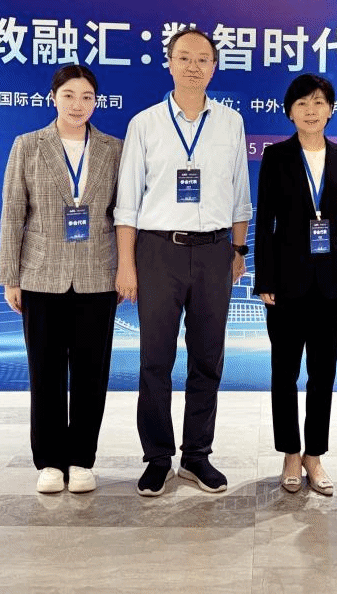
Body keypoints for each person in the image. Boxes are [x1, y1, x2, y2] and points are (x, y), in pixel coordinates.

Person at [114, 27, 252, 497]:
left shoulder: (231, 122)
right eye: (185, 58)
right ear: (169, 63)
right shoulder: (145, 124)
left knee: (208, 357)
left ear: (214, 67)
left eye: (203, 59)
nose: (194, 66)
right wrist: (127, 265)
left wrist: (238, 250)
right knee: (155, 359)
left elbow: (240, 194)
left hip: (215, 251)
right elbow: (127, 203)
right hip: (158, 251)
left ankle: (196, 455)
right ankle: (157, 458)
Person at [0, 65, 123, 494]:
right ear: (53, 98)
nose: (77, 105)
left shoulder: (113, 149)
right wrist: (10, 276)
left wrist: (126, 270)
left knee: (91, 373)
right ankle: (49, 461)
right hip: (40, 274)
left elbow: (124, 215)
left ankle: (82, 459)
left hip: (97, 275)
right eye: (69, 95)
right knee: (45, 371)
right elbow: (13, 213)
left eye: (87, 97)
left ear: (96, 102)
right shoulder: (28, 145)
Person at [253, 74, 337, 496]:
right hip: (285, 281)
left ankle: (314, 455)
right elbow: (265, 220)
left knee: (323, 373)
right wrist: (264, 278)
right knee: (284, 372)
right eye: (302, 103)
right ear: (290, 112)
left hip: (332, 282)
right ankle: (289, 452)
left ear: (331, 110)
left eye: (319, 102)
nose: (311, 110)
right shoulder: (277, 156)